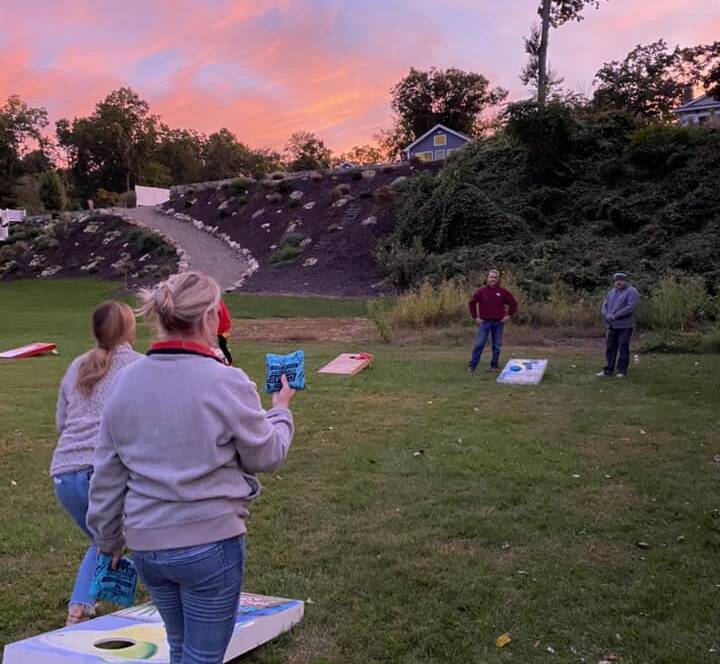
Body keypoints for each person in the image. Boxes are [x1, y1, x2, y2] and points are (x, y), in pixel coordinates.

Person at [87, 271, 295, 664]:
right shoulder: (226, 382)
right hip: (209, 545)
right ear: (207, 320)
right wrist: (280, 411)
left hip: (147, 545)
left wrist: (108, 539)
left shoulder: (124, 383)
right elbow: (266, 454)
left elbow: (107, 476)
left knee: (181, 648)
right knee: (201, 657)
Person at [50, 301, 141, 625]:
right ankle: (170, 597)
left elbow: (62, 421)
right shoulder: (139, 367)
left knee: (102, 540)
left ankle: (81, 607)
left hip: (64, 474)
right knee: (126, 535)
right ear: (130, 329)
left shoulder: (78, 365)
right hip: (104, 472)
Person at [467, 269, 518, 373]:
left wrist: (508, 315)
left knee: (496, 346)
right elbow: (471, 303)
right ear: (487, 278)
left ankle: (494, 366)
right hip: (484, 322)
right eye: (491, 277)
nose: (493, 279)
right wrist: (475, 317)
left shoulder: (502, 292)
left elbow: (513, 303)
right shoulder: (481, 291)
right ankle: (472, 366)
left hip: (498, 323)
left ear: (498, 279)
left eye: (495, 277)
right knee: (479, 344)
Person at [596, 272, 640, 378]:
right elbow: (605, 305)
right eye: (616, 280)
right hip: (611, 325)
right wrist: (607, 315)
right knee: (610, 348)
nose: (618, 282)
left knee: (623, 347)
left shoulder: (632, 291)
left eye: (620, 280)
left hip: (625, 326)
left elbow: (630, 307)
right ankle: (608, 370)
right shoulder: (611, 292)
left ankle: (622, 370)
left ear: (625, 280)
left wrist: (615, 316)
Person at [217, 298, 233, 365]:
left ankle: (229, 361)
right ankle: (228, 361)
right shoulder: (220, 303)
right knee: (222, 345)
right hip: (225, 328)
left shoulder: (217, 303)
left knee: (222, 345)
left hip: (222, 329)